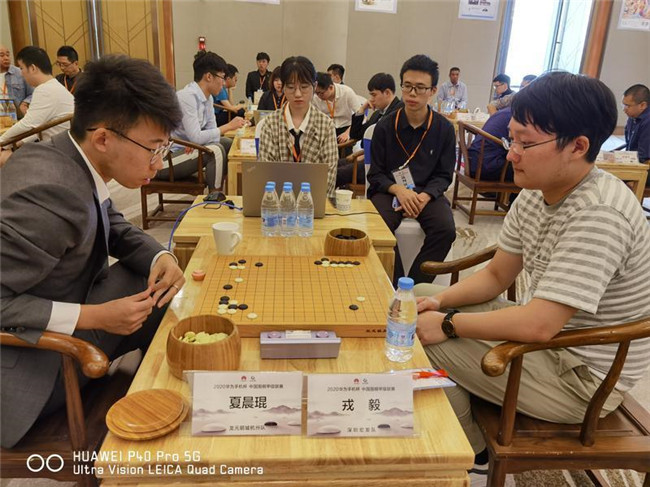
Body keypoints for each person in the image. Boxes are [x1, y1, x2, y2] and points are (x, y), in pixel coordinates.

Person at [414, 71, 650, 481]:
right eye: (512, 139)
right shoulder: (536, 192)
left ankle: (473, 452)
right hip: (550, 344)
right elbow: (496, 275)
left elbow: (539, 325)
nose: (512, 154)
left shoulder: (599, 213)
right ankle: (463, 409)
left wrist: (448, 324)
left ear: (578, 146)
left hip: (582, 377)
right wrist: (439, 302)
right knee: (419, 296)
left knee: (420, 338)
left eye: (526, 143)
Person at [0, 54, 186, 449]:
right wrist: (95, 317)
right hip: (29, 370)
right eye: (154, 148)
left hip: (58, 318)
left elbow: (111, 222)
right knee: (156, 297)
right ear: (103, 138)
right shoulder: (50, 195)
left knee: (155, 280)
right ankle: (159, 424)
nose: (158, 162)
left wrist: (162, 257)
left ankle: (157, 395)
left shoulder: (68, 157)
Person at [367, 54, 456, 285]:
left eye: (420, 88)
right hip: (390, 191)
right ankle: (394, 283)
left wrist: (424, 196)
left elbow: (444, 175)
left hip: (427, 193)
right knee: (377, 225)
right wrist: (399, 191)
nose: (412, 94)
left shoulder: (444, 129)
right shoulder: (385, 126)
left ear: (433, 91)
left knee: (445, 230)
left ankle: (414, 287)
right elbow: (375, 174)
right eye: (407, 86)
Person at [165, 51, 246, 191]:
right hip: (170, 158)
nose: (223, 83)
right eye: (222, 77)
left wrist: (197, 142)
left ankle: (227, 189)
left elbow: (210, 133)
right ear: (209, 76)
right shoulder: (187, 97)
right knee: (215, 150)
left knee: (227, 143)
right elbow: (196, 137)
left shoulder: (207, 98)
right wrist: (228, 126)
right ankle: (214, 196)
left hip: (189, 149)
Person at [258, 56, 337, 198]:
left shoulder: (326, 125)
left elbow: (329, 177)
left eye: (304, 87)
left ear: (314, 86)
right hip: (277, 204)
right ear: (283, 87)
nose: (298, 94)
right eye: (291, 87)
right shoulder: (270, 124)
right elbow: (266, 173)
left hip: (314, 205)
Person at [337, 72, 403, 188]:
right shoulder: (378, 113)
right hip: (365, 158)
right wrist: (362, 109)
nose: (371, 99)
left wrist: (364, 154)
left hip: (379, 165)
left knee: (336, 173)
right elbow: (356, 134)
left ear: (387, 93)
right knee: (331, 165)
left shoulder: (400, 112)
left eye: (374, 95)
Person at [0, 46, 74, 145]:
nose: (21, 74)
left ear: (32, 68)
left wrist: (2, 141)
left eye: (21, 68)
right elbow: (38, 127)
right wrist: (16, 143)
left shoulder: (45, 90)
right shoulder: (52, 86)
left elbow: (28, 124)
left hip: (58, 148)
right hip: (60, 143)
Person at [313, 71, 363, 145]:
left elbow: (360, 115)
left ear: (331, 87)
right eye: (316, 93)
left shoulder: (346, 92)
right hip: (327, 128)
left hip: (346, 127)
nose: (319, 96)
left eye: (321, 93)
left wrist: (347, 133)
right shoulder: (315, 97)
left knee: (344, 146)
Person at [467, 107, 513, 182]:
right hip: (486, 166)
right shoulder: (516, 118)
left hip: (472, 161)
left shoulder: (503, 113)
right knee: (526, 169)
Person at [0, 44, 33, 117]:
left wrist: (25, 103)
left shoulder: (20, 73)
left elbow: (33, 93)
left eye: (8, 55)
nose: (6, 58)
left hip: (17, 116)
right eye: (1, 55)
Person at [622, 84, 649, 169]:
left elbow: (643, 156)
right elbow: (629, 146)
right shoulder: (632, 117)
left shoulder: (648, 122)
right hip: (634, 160)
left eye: (627, 106)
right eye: (623, 105)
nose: (624, 109)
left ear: (642, 105)